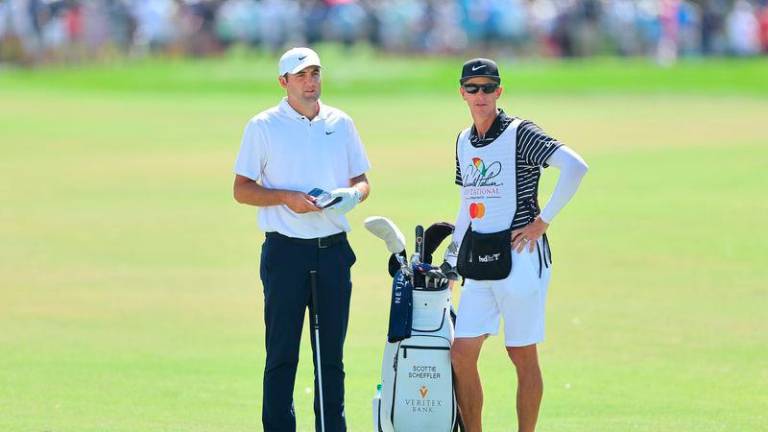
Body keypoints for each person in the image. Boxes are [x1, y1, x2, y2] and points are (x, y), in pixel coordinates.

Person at [232, 47, 371, 432]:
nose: (310, 83)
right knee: (281, 355)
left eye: (315, 74)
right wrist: (286, 198)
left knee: (331, 359)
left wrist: (353, 195)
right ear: (284, 82)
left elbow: (362, 180)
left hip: (333, 253)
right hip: (285, 252)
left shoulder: (340, 123)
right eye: (301, 76)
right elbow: (242, 189)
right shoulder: (262, 126)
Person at [447, 58, 588, 432]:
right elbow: (468, 205)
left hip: (522, 259)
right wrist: (451, 258)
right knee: (461, 355)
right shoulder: (464, 140)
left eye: (488, 87)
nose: (481, 95)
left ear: (499, 91)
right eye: (472, 88)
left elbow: (575, 166)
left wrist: (542, 222)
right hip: (479, 261)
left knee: (521, 354)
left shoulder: (520, 132)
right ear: (462, 92)